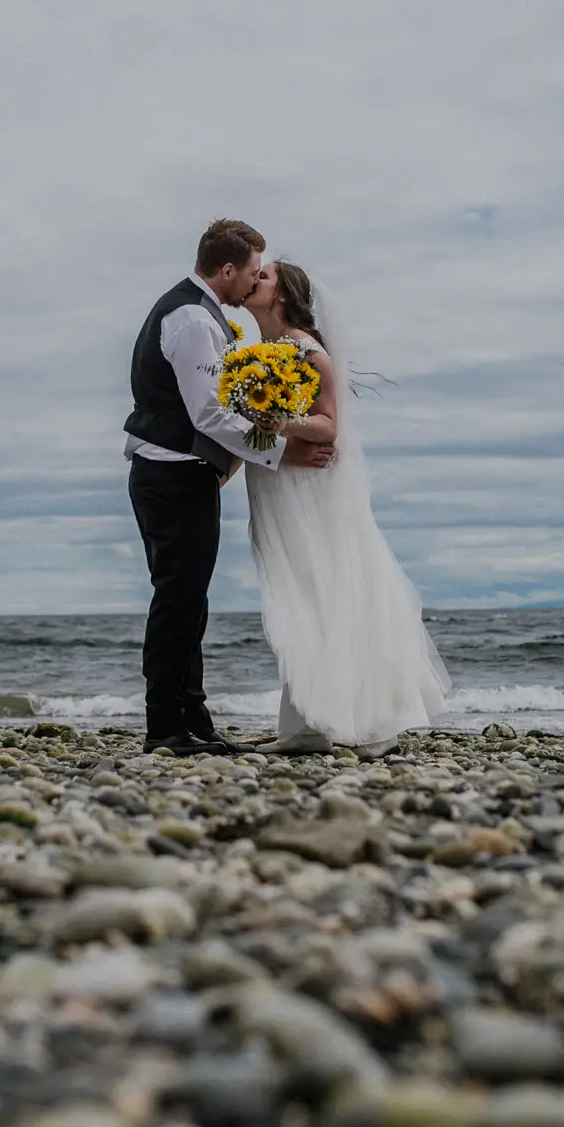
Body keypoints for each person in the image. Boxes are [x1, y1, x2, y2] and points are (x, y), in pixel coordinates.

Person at [124, 220, 335, 756]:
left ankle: (194, 722)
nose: (250, 284)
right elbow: (210, 413)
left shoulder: (199, 314)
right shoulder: (193, 318)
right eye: (249, 272)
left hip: (180, 472)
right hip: (172, 473)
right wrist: (281, 451)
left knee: (190, 601)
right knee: (178, 600)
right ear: (226, 271)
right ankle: (164, 728)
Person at [240, 259, 449, 757]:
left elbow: (328, 426)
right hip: (276, 482)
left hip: (305, 489)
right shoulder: (261, 353)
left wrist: (277, 420)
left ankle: (369, 724)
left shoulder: (308, 351)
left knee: (317, 592)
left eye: (264, 276)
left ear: (285, 296)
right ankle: (305, 725)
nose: (254, 280)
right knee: (296, 596)